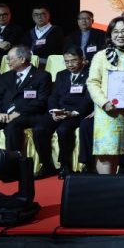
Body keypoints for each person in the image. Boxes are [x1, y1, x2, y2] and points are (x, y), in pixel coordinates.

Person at [86, 18, 124, 174]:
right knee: (105, 152)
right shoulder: (101, 56)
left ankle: (110, 184)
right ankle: (104, 186)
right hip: (106, 112)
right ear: (110, 35)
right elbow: (92, 82)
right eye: (116, 32)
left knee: (117, 152)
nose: (120, 35)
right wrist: (104, 102)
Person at [0, 45, 52, 163]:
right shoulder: (6, 76)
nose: (8, 62)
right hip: (4, 115)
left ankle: (13, 165)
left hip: (28, 115)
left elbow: (41, 102)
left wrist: (18, 113)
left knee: (12, 126)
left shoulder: (42, 76)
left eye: (10, 58)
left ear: (22, 59)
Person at [43, 46, 94, 177]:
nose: (70, 64)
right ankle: (46, 165)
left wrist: (74, 113)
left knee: (63, 130)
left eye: (73, 60)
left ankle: (64, 165)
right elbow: (54, 96)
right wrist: (53, 111)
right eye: (67, 61)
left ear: (82, 59)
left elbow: (88, 99)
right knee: (39, 129)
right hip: (59, 111)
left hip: (78, 113)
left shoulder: (90, 74)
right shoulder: (61, 74)